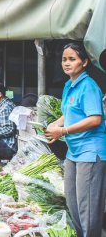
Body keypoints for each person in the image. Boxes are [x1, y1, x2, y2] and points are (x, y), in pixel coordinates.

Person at [45, 43, 106, 237]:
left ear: (84, 62)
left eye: (72, 59)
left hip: (90, 151)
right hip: (74, 150)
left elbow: (95, 118)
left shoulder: (88, 86)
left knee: (86, 206)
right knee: (72, 202)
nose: (67, 63)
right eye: (64, 59)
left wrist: (62, 131)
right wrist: (55, 124)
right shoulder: (69, 85)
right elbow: (69, 112)